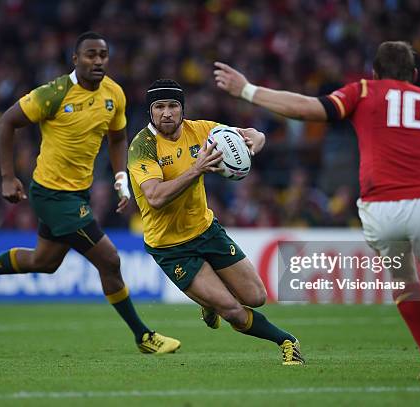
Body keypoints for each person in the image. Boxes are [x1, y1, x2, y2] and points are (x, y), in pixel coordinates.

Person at [214, 41, 420, 378]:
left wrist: (247, 90)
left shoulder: (364, 91)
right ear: (414, 74)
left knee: (404, 281)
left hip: (381, 210)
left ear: (375, 72)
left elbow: (307, 108)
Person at [0, 31, 180, 354]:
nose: (98, 61)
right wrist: (7, 177)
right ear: (75, 59)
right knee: (109, 259)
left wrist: (121, 178)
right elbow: (6, 123)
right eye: (90, 55)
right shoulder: (54, 94)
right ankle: (143, 336)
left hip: (78, 194)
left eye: (103, 55)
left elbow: (118, 137)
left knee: (44, 261)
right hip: (52, 195)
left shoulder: (114, 94)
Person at [127, 79, 304, 365]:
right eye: (159, 107)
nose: (167, 113)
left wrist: (256, 139)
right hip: (171, 247)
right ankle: (286, 341)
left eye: (173, 106)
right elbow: (156, 196)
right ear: (150, 112)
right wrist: (196, 170)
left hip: (206, 230)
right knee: (232, 310)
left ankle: (208, 302)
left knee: (256, 296)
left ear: (182, 109)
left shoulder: (201, 130)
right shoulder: (142, 146)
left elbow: (251, 134)